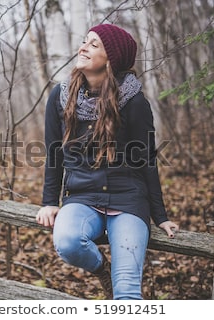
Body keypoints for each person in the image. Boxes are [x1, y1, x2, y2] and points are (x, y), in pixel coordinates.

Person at [35, 23, 179, 300]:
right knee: (67, 243)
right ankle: (102, 269)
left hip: (128, 200)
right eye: (84, 41)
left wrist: (160, 216)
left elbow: (147, 160)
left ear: (111, 59)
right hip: (81, 197)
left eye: (94, 44)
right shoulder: (60, 97)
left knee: (126, 291)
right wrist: (49, 201)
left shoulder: (134, 103)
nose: (83, 47)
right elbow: (54, 152)